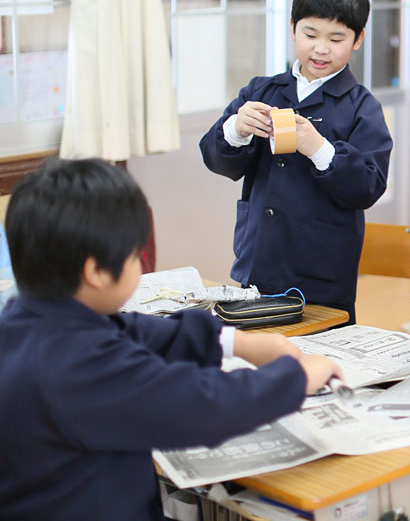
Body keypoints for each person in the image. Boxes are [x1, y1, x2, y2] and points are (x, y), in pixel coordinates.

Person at [0, 158, 342, 520]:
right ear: (96, 271)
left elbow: (131, 330)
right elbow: (205, 405)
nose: (140, 264)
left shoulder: (25, 322)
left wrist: (237, 343)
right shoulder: (79, 365)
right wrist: (297, 378)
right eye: (135, 256)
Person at [200, 0, 393, 324]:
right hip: (258, 264)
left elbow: (368, 186)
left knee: (322, 350)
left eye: (336, 38)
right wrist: (236, 129)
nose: (321, 48)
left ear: (358, 39)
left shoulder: (362, 107)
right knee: (256, 349)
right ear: (292, 28)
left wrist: (319, 149)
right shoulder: (261, 91)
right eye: (310, 34)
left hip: (323, 274)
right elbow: (217, 160)